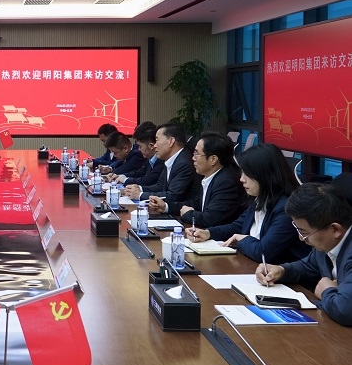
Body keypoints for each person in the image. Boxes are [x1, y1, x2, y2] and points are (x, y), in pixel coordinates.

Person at [188, 143, 310, 264]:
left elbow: (263, 253)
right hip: (251, 266)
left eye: (247, 174)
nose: (242, 179)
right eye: (242, 173)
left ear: (265, 174)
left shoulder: (286, 208)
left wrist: (242, 239)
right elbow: (237, 226)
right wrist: (208, 233)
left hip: (278, 274)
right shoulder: (259, 199)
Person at [256, 179, 352, 326]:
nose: (301, 239)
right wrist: (281, 270)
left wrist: (326, 290)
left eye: (305, 232)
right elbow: (308, 266)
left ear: (335, 229)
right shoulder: (326, 243)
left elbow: (345, 310)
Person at [149, 132, 248, 228]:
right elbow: (196, 203)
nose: (193, 158)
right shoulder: (212, 176)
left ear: (213, 159)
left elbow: (209, 219)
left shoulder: (226, 182)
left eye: (197, 153)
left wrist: (189, 214)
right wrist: (166, 207)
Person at [124, 123, 200, 204]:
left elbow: (172, 196)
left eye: (157, 140)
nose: (155, 145)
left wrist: (140, 195)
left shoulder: (183, 163)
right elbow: (160, 186)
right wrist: (139, 188)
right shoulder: (172, 159)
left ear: (171, 141)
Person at [112, 121, 164, 186]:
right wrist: (122, 176)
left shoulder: (161, 160)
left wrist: (125, 180)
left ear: (151, 146)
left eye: (140, 146)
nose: (139, 149)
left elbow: (147, 181)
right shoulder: (150, 159)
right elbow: (140, 173)